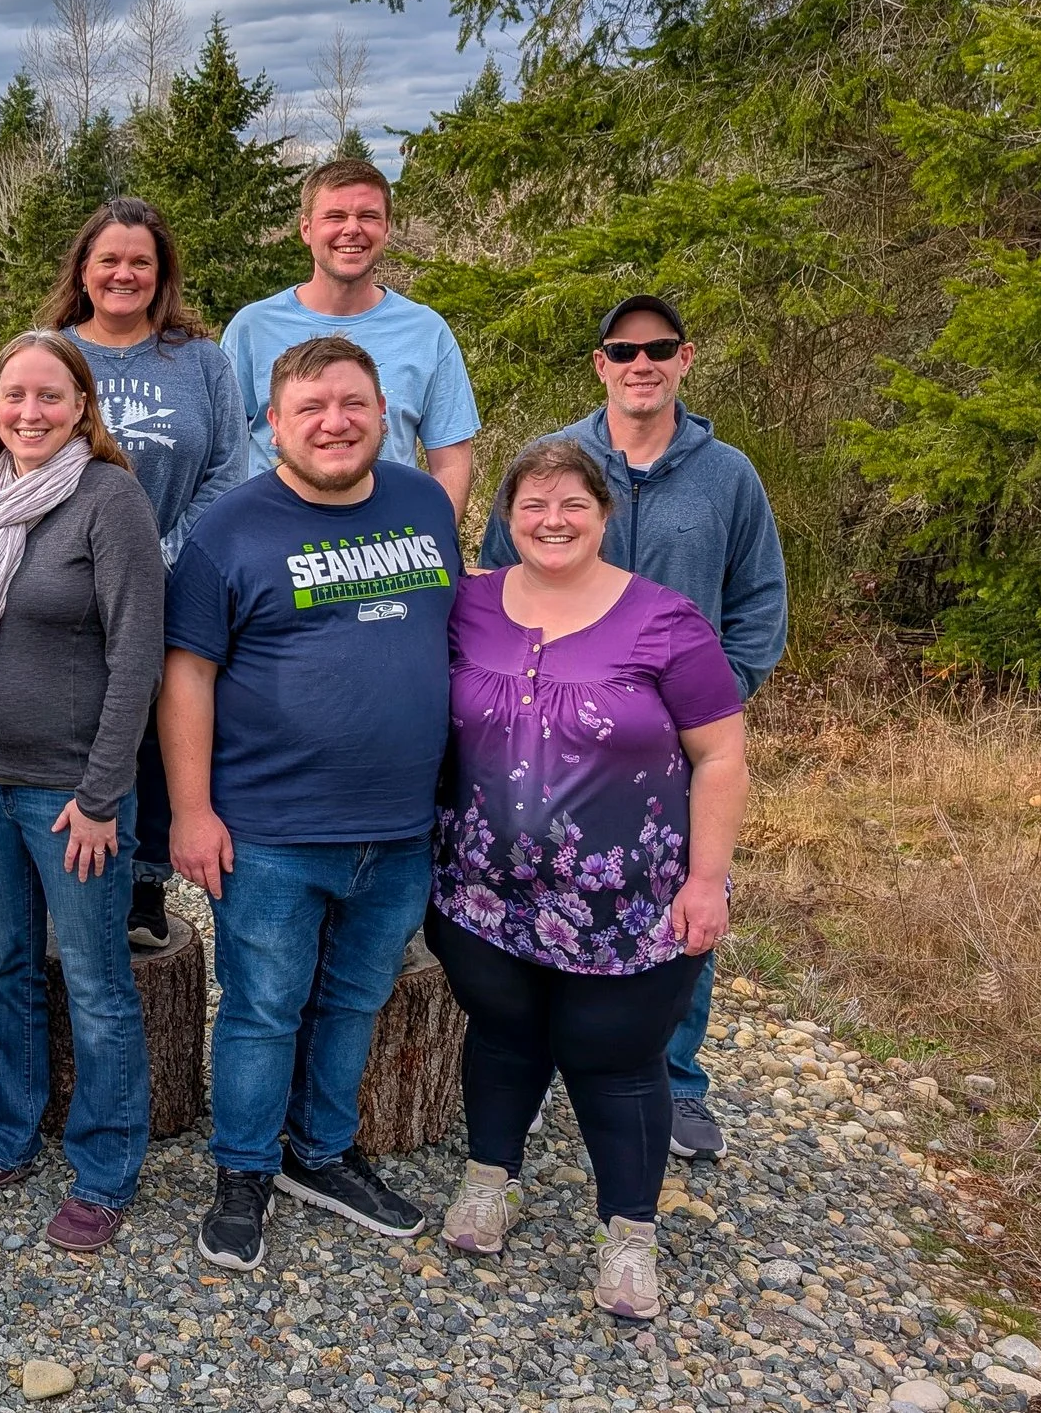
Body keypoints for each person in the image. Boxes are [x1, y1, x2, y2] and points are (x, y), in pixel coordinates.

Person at [161, 335, 460, 1273]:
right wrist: (192, 810)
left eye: (352, 403)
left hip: (402, 827)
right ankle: (243, 1170)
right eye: (311, 408)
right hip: (273, 831)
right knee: (262, 1006)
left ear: (382, 413)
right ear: (272, 425)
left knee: (357, 999)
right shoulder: (229, 531)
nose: (334, 422)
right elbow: (187, 678)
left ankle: (320, 1153)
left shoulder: (424, 504)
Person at [431, 439, 747, 1321]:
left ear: (603, 514)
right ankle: (491, 1181)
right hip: (483, 894)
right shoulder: (469, 606)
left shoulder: (664, 621)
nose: (552, 519)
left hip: (632, 907)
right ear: (505, 516)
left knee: (614, 1061)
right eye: (532, 503)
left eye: (572, 502)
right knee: (502, 1035)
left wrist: (708, 880)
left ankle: (629, 1235)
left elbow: (721, 754)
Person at [478, 294, 786, 1160]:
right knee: (540, 889)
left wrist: (712, 701)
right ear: (600, 363)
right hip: (550, 745)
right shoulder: (556, 465)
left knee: (688, 897)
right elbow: (502, 584)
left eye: (658, 348)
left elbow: (760, 599)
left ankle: (674, 1079)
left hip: (674, 744)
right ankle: (536, 1076)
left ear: (685, 359)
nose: (640, 363)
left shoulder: (729, 476)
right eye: (623, 350)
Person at [0, 332, 162, 1255]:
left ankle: (106, 1168)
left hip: (71, 794)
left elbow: (137, 654)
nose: (27, 412)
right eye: (12, 397)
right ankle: (7, 1135)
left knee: (100, 983)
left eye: (48, 397)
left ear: (81, 406)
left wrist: (103, 794)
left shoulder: (110, 499)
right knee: (6, 965)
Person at [46, 196, 251, 952]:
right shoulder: (57, 350)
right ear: (84, 270)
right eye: (109, 260)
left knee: (164, 723)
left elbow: (230, 467)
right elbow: (22, 450)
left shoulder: (200, 360)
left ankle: (144, 884)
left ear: (161, 271)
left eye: (140, 260)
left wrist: (163, 555)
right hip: (71, 571)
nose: (124, 273)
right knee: (86, 723)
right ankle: (69, 877)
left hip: (180, 574)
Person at [220, 155, 480, 522]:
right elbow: (221, 455)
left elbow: (450, 459)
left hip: (389, 549)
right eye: (336, 216)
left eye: (369, 217)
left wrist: (433, 541)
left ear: (387, 230)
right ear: (306, 229)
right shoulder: (251, 329)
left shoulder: (426, 331)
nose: (352, 229)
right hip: (273, 544)